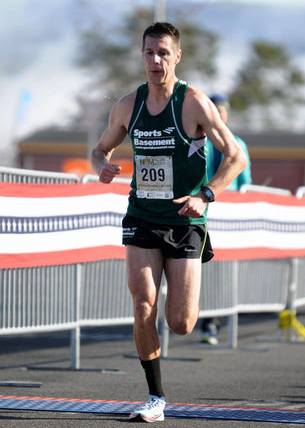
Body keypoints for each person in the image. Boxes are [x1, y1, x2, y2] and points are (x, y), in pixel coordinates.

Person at [91, 22, 247, 423]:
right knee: (143, 304)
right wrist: (103, 166)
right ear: (141, 55)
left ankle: (188, 292)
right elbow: (99, 149)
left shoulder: (193, 103)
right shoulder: (129, 105)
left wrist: (205, 195)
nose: (155, 61)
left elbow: (235, 156)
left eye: (163, 53)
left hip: (185, 219)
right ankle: (155, 398)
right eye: (149, 53)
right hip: (142, 215)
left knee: (181, 322)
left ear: (177, 56)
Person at [201, 93, 252, 345]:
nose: (218, 115)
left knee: (222, 273)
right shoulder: (197, 139)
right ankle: (200, 319)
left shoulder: (238, 144)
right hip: (202, 215)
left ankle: (213, 322)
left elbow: (245, 185)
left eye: (222, 110)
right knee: (200, 270)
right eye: (213, 110)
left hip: (228, 220)